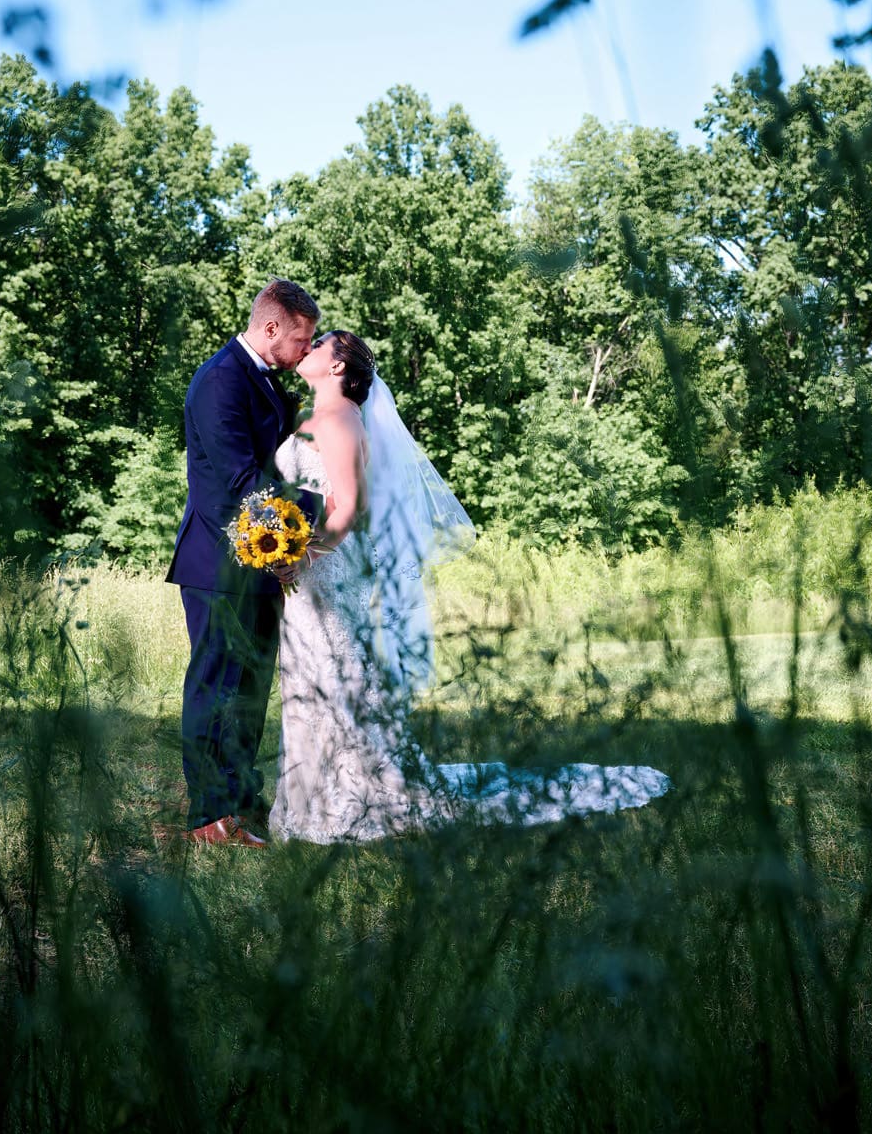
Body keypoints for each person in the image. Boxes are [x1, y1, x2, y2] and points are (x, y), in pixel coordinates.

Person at [267, 329, 670, 844]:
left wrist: (302, 551)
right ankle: (307, 800)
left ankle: (351, 796)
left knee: (334, 673)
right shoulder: (306, 418)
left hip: (325, 568)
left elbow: (352, 507)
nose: (309, 349)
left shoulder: (342, 419)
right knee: (310, 676)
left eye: (319, 344)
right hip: (305, 572)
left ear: (340, 366)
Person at [166, 279, 321, 848]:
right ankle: (208, 815)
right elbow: (238, 484)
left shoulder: (267, 381)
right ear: (271, 327)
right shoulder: (219, 380)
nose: (306, 350)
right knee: (214, 687)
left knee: (251, 689)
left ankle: (239, 798)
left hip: (262, 561)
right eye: (301, 339)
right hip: (216, 564)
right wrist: (320, 512)